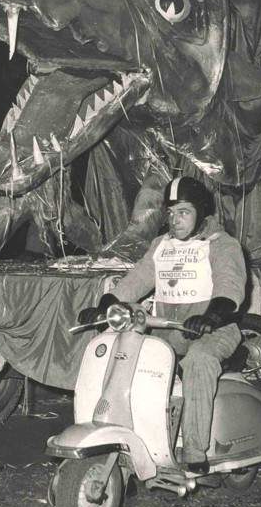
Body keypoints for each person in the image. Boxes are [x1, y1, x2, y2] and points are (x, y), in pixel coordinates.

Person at [78, 176, 246, 471]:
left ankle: (195, 450)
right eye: (170, 213)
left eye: (183, 212)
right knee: (125, 350)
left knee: (199, 360)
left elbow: (230, 288)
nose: (175, 220)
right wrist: (103, 307)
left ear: (201, 213)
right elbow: (135, 282)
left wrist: (211, 317)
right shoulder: (161, 245)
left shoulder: (222, 245)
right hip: (168, 329)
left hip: (214, 330)